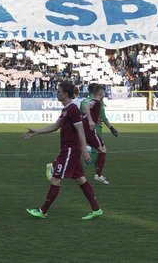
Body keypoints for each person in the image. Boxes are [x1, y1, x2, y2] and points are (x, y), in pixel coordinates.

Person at [23, 82, 103, 220]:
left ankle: (43, 211)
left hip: (71, 150)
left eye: (59, 91)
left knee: (55, 178)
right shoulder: (66, 109)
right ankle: (96, 209)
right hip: (68, 149)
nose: (57, 93)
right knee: (80, 179)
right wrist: (36, 132)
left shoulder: (72, 109)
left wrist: (84, 151)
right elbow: (55, 126)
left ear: (66, 94)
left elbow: (80, 130)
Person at [80, 83, 116, 185]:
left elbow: (83, 111)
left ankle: (98, 174)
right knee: (102, 150)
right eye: (104, 92)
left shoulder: (88, 101)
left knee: (100, 149)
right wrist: (91, 121)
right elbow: (87, 106)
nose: (105, 93)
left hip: (84, 129)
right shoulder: (96, 102)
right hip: (90, 130)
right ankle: (98, 175)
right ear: (100, 93)